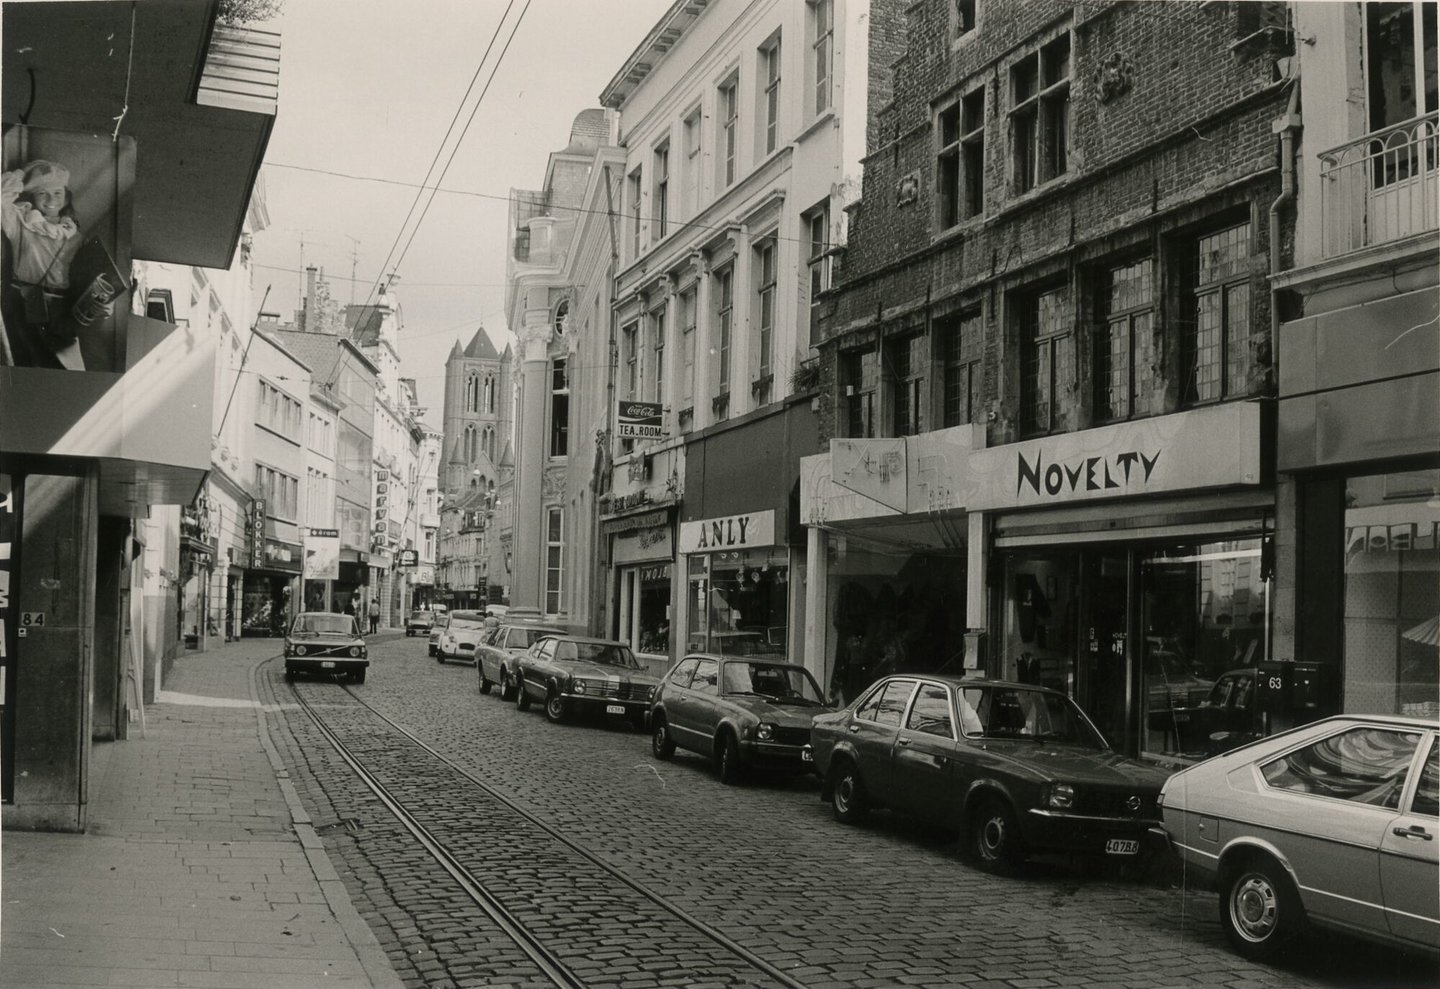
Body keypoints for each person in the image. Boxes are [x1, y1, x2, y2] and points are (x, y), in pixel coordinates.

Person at [0, 159, 111, 369]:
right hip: (22, 306)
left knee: (64, 374)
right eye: (42, 192)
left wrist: (98, 303)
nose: (51, 199)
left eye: (57, 192)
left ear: (66, 197)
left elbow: (90, 281)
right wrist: (23, 172)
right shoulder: (19, 223)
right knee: (23, 370)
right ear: (32, 196)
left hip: (61, 313)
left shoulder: (77, 237)